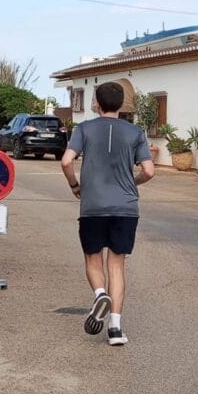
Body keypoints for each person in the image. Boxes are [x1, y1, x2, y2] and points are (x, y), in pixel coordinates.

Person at [59, 82, 154, 346]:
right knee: (117, 264)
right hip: (125, 208)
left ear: (97, 104)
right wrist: (131, 183)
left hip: (93, 206)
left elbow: (67, 161)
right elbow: (149, 170)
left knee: (93, 259)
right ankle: (115, 329)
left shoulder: (84, 129)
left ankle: (100, 294)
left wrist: (75, 185)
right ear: (122, 104)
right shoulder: (135, 132)